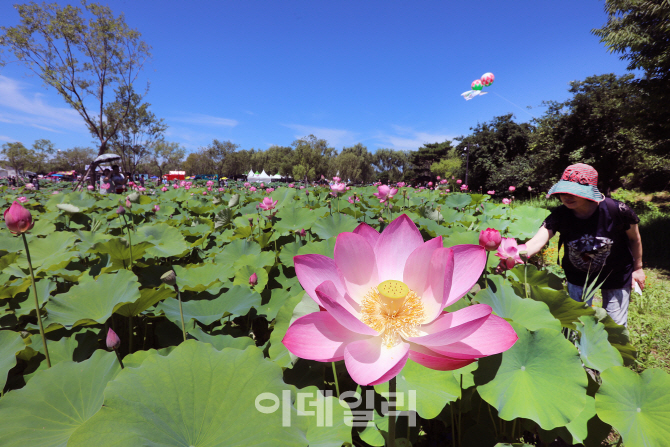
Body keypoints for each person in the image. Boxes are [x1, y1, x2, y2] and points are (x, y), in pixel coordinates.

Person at [524, 164, 644, 326]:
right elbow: (537, 241)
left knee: (614, 327)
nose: (567, 196)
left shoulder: (617, 210)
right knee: (578, 324)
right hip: (578, 275)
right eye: (563, 192)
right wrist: (511, 254)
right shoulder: (560, 215)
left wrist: (638, 268)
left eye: (574, 192)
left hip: (616, 273)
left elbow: (634, 239)